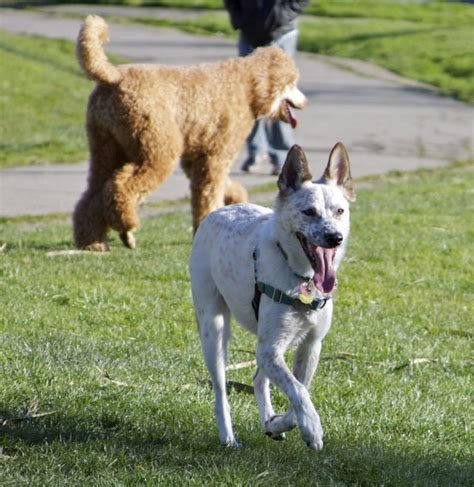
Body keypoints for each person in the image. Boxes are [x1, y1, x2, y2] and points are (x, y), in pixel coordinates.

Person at [224, 0, 308, 175]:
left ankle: (282, 156)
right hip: (249, 35)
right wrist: (239, 18)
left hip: (282, 33)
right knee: (251, 96)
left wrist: (282, 16)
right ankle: (255, 152)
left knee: (280, 96)